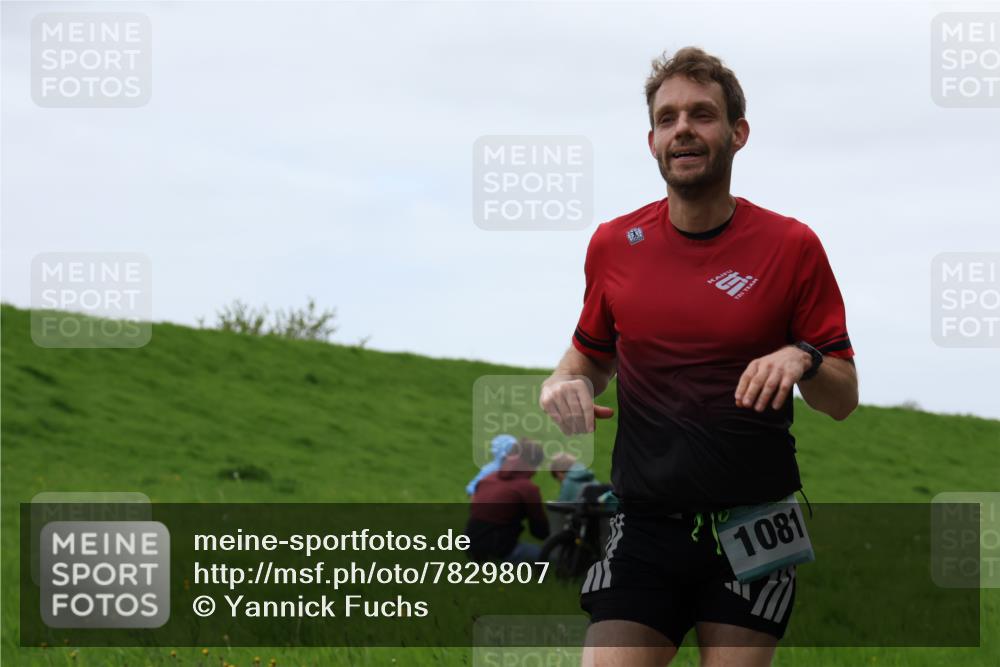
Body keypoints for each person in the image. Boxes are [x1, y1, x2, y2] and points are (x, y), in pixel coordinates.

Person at [538, 47, 858, 667]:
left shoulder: (792, 246)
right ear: (652, 142)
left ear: (738, 133)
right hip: (643, 522)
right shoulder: (614, 244)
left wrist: (803, 359)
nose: (682, 128)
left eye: (702, 114)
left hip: (755, 525)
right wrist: (564, 382)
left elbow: (843, 398)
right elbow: (587, 358)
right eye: (668, 118)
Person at [463, 439, 550, 564]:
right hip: (499, 551)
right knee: (552, 558)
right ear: (533, 465)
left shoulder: (488, 478)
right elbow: (540, 532)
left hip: (469, 547)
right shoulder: (527, 488)